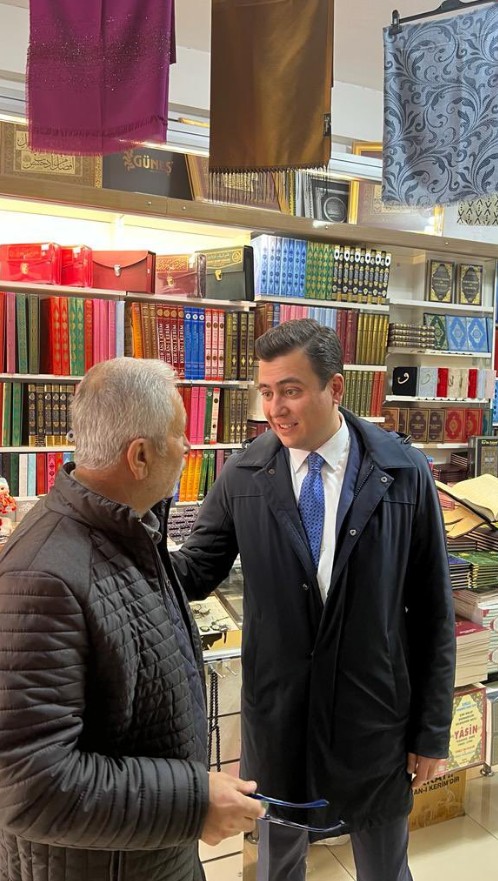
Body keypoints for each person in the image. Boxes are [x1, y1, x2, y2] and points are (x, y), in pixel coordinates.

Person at [172, 319, 456, 881]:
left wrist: (431, 731)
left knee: (384, 866)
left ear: (336, 388)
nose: (275, 407)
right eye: (268, 391)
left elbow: (431, 608)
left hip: (374, 714)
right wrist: (125, 527)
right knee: (279, 864)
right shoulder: (244, 472)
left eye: (292, 390)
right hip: (280, 716)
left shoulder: (402, 471)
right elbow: (194, 573)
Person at [0, 357, 264, 881]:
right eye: (179, 435)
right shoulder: (43, 577)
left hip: (147, 853)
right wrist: (193, 802)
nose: (189, 449)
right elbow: (29, 787)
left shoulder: (128, 531)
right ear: (140, 456)